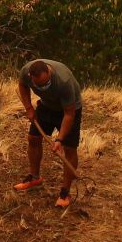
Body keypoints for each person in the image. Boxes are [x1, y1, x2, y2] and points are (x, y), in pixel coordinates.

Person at [15, 58, 82, 208]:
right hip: (46, 106)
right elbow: (22, 85)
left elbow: (69, 114)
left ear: (49, 73)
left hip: (70, 110)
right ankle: (34, 178)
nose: (44, 87)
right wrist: (29, 108)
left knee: (69, 148)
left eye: (46, 83)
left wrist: (59, 139)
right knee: (33, 138)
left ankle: (65, 192)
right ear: (31, 77)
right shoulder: (26, 72)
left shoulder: (64, 81)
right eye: (39, 85)